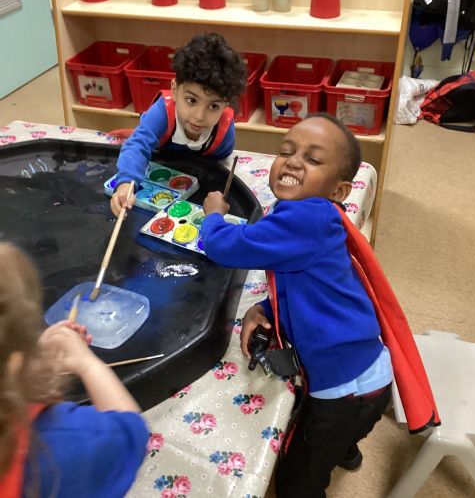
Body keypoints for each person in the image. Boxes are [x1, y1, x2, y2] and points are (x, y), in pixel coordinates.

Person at [200, 113, 393, 498]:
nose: (292, 162)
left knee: (295, 479)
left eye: (312, 158)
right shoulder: (317, 217)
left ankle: (333, 450)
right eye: (286, 151)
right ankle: (345, 450)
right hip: (368, 376)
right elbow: (306, 282)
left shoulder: (303, 217)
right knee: (340, 436)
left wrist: (214, 217)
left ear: (339, 190)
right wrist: (266, 308)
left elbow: (226, 247)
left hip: (343, 390)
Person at [0, 242, 149, 498]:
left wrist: (30, 369)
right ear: (14, 360)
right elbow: (130, 433)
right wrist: (87, 364)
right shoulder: (59, 444)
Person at [110, 32, 247, 216]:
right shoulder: (161, 113)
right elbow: (138, 146)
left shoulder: (224, 133)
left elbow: (217, 167)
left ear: (226, 105)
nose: (199, 116)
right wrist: (126, 184)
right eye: (191, 100)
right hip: (159, 166)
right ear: (174, 90)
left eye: (213, 106)